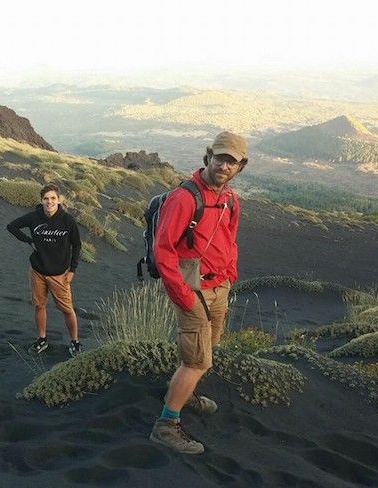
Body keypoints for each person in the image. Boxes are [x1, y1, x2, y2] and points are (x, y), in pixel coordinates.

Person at [148, 131, 247, 454]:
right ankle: (166, 425)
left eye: (231, 161)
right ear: (208, 157)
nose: (224, 165)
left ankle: (183, 393)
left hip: (219, 287)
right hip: (191, 288)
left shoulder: (230, 199)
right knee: (198, 361)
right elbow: (163, 250)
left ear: (240, 166)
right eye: (219, 157)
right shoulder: (184, 198)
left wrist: (229, 277)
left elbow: (229, 241)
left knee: (204, 352)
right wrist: (184, 296)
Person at [7, 183, 82, 357]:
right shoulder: (34, 217)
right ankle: (42, 339)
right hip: (38, 271)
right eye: (46, 199)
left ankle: (75, 342)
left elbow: (77, 245)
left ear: (59, 200)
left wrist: (72, 270)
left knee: (67, 309)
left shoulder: (67, 220)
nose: (49, 202)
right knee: (40, 306)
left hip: (60, 274)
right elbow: (12, 226)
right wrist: (28, 240)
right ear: (41, 200)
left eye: (53, 198)